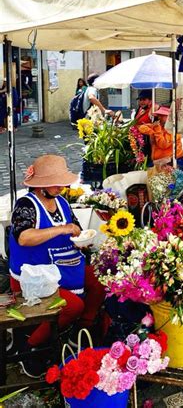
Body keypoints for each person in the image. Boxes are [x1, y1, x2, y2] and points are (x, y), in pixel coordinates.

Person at [8, 155, 105, 378]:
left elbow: (76, 229)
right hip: (34, 275)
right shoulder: (26, 205)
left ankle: (81, 330)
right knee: (71, 305)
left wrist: (81, 239)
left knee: (100, 281)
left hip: (64, 265)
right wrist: (61, 229)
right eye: (56, 182)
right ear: (41, 185)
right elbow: (24, 237)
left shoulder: (61, 202)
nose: (62, 186)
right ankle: (30, 346)